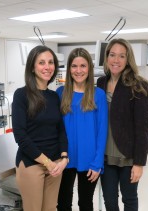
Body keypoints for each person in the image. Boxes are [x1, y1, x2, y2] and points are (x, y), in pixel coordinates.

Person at [12, 45, 68, 211]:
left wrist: (64, 158)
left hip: (55, 164)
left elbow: (60, 130)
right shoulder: (21, 95)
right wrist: (46, 163)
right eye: (41, 62)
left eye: (50, 62)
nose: (47, 67)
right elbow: (20, 136)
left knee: (50, 209)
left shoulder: (54, 96)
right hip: (31, 163)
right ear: (32, 67)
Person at [97, 38, 148, 211]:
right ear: (106, 57)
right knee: (110, 202)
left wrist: (139, 163)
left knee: (129, 199)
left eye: (122, 56)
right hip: (106, 156)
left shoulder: (138, 85)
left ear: (128, 59)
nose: (116, 60)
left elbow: (143, 128)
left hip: (128, 157)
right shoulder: (101, 83)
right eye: (112, 55)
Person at [56, 48, 108, 211]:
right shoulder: (60, 93)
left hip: (89, 159)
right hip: (64, 158)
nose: (78, 70)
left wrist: (97, 162)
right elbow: (56, 128)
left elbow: (102, 130)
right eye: (74, 66)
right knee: (63, 203)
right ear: (69, 69)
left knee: (85, 203)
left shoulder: (98, 94)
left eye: (83, 66)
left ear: (89, 69)